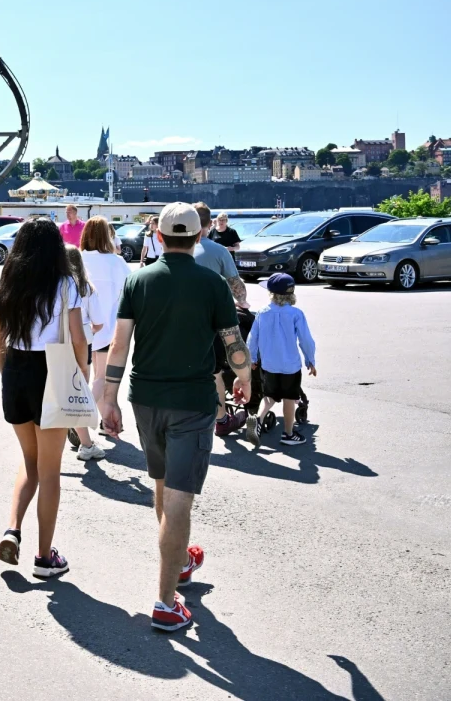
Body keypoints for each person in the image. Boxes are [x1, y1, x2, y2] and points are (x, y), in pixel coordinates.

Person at [100, 202, 252, 632]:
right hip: (192, 402)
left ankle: (180, 561)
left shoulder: (138, 280)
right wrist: (246, 378)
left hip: (145, 398)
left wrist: (107, 400)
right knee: (179, 499)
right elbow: (232, 342)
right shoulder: (212, 284)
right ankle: (166, 603)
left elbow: (118, 346)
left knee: (163, 485)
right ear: (200, 236)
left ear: (160, 237)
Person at [0, 218, 89, 579]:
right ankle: (45, 557)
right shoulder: (66, 284)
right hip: (52, 370)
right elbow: (78, 338)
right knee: (50, 471)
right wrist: (81, 375)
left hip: (16, 371)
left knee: (29, 461)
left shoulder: (9, 282)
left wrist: (9, 376)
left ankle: (11, 530)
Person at [191, 202, 251, 435]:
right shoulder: (219, 251)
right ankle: (221, 419)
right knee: (214, 370)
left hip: (179, 319)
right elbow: (238, 289)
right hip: (211, 319)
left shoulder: (173, 251)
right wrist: (241, 300)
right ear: (209, 224)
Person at [244, 273, 316, 447]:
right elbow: (306, 340)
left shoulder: (262, 313)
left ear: (271, 293)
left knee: (269, 395)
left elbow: (252, 338)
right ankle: (288, 434)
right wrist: (310, 360)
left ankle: (258, 419)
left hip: (269, 364)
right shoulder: (296, 313)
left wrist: (252, 358)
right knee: (289, 398)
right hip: (290, 365)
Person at [79, 217, 131, 435]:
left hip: (78, 329)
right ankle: (79, 417)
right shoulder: (116, 262)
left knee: (85, 378)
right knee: (100, 378)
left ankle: (102, 422)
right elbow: (128, 292)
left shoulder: (76, 259)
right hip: (107, 329)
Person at [65, 246, 107, 460]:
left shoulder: (55, 287)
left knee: (63, 391)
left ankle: (79, 433)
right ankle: (86, 444)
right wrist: (88, 331)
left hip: (58, 344)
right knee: (79, 394)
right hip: (83, 343)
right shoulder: (86, 289)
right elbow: (99, 323)